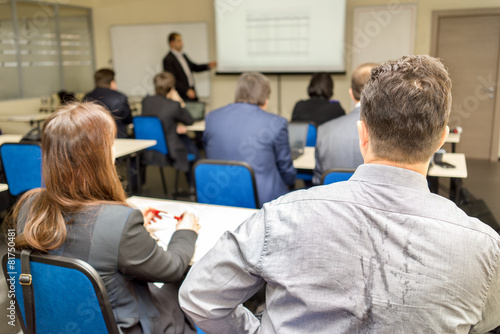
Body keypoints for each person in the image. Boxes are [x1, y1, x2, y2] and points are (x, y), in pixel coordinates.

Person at [179, 55, 500, 333]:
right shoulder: (484, 248)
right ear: (442, 138)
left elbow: (200, 297)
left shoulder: (281, 216)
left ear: (362, 134)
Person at [9, 102, 201, 333]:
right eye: (110, 143)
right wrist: (186, 231)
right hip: (123, 326)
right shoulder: (120, 221)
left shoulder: (29, 205)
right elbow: (171, 269)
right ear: (98, 157)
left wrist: (132, 231)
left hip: (58, 324)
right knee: (190, 284)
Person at [202, 72, 296, 207]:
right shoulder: (276, 122)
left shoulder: (212, 117)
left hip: (218, 194)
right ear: (265, 99)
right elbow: (286, 171)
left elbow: (208, 150)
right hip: (263, 203)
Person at [313, 63, 378, 185]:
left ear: (351, 94)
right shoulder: (397, 133)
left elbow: (317, 182)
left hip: (331, 202)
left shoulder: (324, 131)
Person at [142, 72, 200, 186]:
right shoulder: (174, 105)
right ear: (172, 88)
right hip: (170, 149)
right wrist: (180, 101)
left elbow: (158, 121)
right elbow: (190, 121)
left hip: (149, 148)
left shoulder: (146, 101)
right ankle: (193, 186)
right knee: (194, 150)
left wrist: (173, 126)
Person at [163, 32, 216, 101]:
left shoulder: (183, 55)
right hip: (181, 93)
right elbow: (172, 79)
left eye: (181, 40)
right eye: (179, 41)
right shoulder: (168, 59)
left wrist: (208, 65)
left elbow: (194, 67)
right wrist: (186, 90)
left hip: (191, 89)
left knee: (196, 109)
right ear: (172, 43)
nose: (182, 43)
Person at [84, 68, 132, 138]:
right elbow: (128, 120)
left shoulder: (87, 97)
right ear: (112, 82)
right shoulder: (120, 97)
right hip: (117, 137)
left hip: (95, 139)